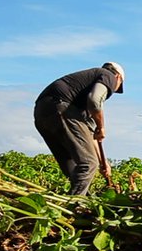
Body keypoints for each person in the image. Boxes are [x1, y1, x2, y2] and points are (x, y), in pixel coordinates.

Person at [33, 62, 125, 195]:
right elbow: (95, 101)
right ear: (118, 77)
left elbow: (90, 136)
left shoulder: (81, 91)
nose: (113, 91)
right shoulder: (108, 75)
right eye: (118, 87)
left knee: (73, 167)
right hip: (61, 107)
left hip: (42, 113)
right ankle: (74, 204)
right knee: (88, 164)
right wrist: (101, 127)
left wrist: (104, 163)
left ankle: (83, 200)